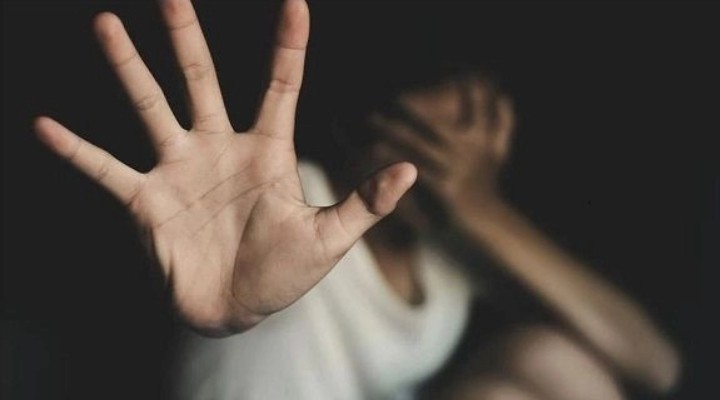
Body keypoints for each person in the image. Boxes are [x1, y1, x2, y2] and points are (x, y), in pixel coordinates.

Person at [34, 0, 680, 399]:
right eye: (433, 140)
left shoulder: (450, 249)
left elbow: (655, 366)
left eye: (485, 130)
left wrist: (483, 212)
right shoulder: (281, 208)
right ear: (364, 127)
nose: (463, 162)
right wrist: (226, 307)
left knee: (551, 361)